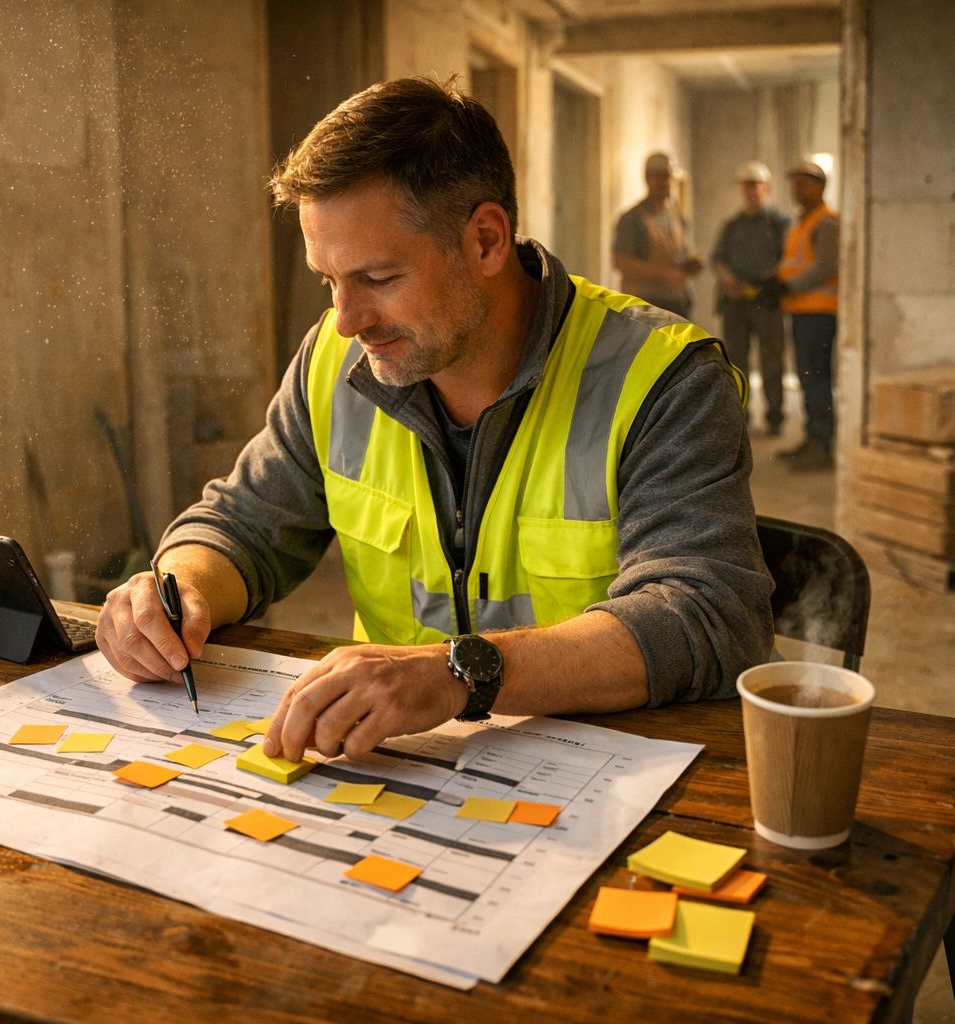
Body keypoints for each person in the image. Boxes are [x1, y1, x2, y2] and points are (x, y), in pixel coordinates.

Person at [95, 77, 773, 765]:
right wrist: (175, 589)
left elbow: (706, 614)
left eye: (379, 278)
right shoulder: (334, 360)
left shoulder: (661, 378)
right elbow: (244, 525)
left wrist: (456, 674)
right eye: (327, 281)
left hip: (603, 781)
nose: (347, 320)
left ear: (485, 240)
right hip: (393, 767)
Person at [762, 160, 839, 471]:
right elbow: (793, 262)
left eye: (804, 183)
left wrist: (786, 285)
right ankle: (812, 437)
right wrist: (771, 280)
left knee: (817, 379)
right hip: (801, 311)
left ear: (820, 186)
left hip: (819, 313)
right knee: (807, 379)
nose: (797, 188)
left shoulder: (827, 222)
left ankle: (821, 444)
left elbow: (826, 266)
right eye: (794, 183)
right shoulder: (801, 223)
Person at [710, 160, 790, 436]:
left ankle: (775, 416)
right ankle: (739, 414)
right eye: (746, 186)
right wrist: (728, 279)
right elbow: (717, 259)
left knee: (772, 360)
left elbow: (788, 258)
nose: (751, 191)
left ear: (766, 188)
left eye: (755, 185)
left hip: (766, 302)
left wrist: (766, 279)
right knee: (736, 362)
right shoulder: (732, 225)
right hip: (735, 303)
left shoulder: (780, 223)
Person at [611, 151, 703, 319]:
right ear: (647, 178)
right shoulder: (632, 219)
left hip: (676, 304)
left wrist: (690, 265)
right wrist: (666, 274)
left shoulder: (676, 215)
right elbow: (621, 262)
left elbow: (680, 254)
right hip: (646, 306)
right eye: (657, 177)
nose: (662, 182)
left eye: (666, 177)